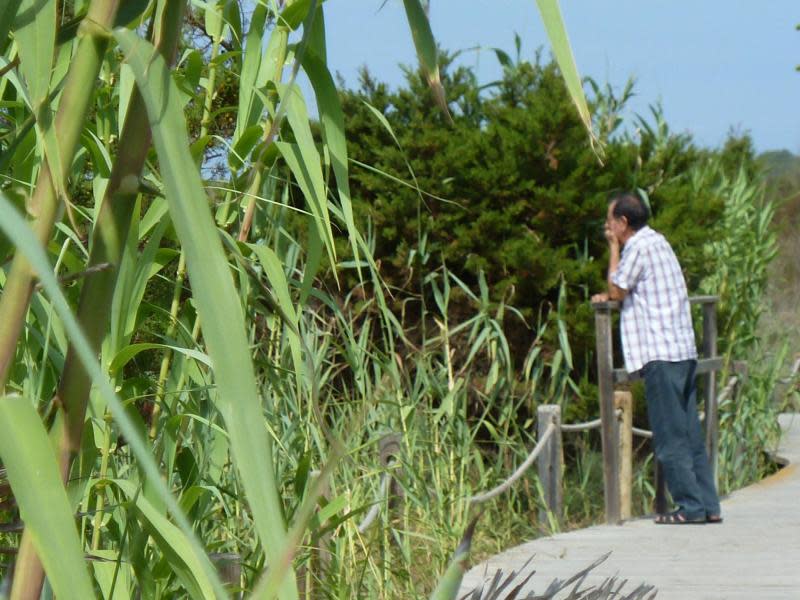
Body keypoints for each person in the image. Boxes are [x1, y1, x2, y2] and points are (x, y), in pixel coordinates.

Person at [591, 191, 722, 525]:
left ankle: (689, 507)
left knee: (668, 435)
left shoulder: (637, 247)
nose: (607, 226)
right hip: (682, 350)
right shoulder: (659, 241)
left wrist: (613, 249)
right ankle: (707, 505)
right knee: (690, 432)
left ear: (623, 222)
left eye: (610, 221)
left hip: (660, 353)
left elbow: (618, 289)